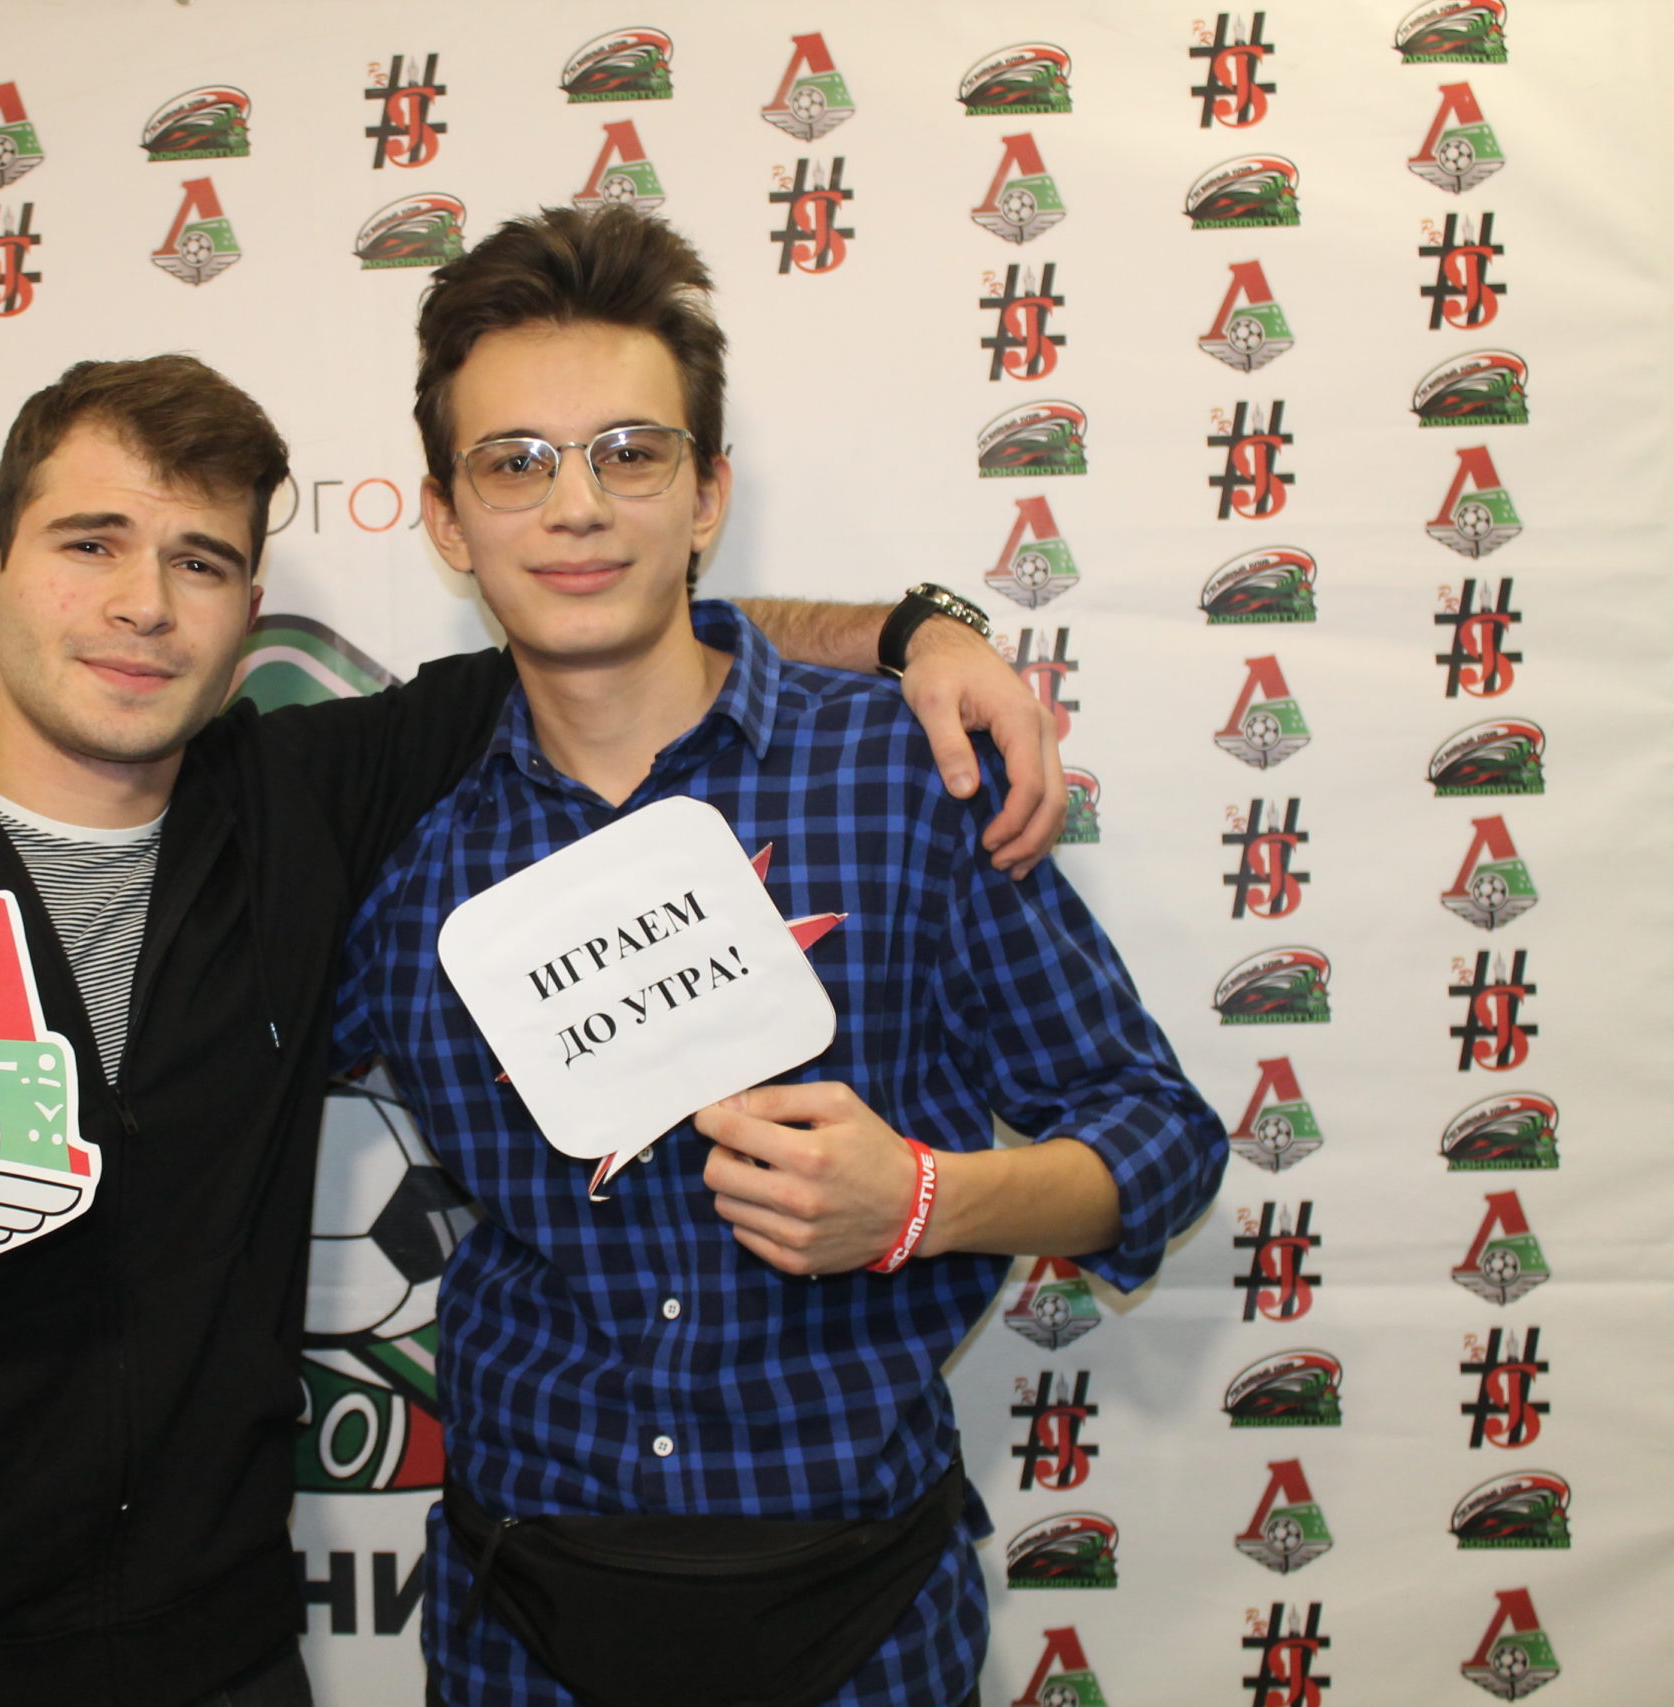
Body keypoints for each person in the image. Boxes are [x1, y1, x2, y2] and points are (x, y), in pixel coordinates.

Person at [0, 351, 1061, 1705]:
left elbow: (630, 631)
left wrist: (916, 632)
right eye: (89, 542)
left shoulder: (310, 807)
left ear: (247, 615)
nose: (143, 602)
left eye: (199, 561)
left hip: (225, 1669)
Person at [326, 207, 1228, 1706]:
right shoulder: (397, 839)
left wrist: (926, 1200)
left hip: (863, 1608)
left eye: (631, 454)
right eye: (516, 463)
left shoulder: (900, 772)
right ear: (445, 519)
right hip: (522, 1612)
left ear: (707, 494)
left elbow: (1161, 1140)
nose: (576, 508)